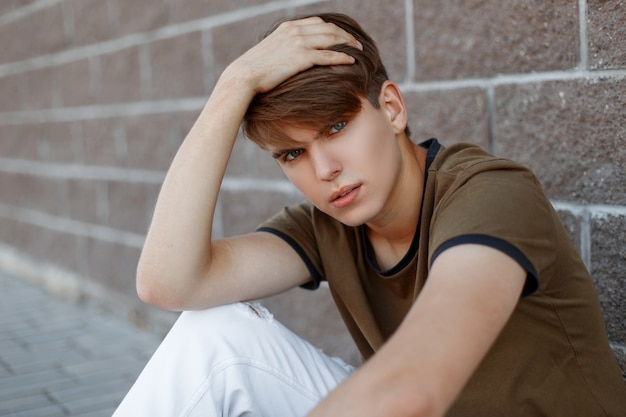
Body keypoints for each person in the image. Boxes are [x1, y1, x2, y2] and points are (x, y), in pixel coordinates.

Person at [113, 12, 626, 417]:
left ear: (392, 108)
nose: (325, 169)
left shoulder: (488, 193)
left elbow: (413, 389)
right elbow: (168, 282)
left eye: (336, 127)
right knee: (214, 337)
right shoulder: (328, 225)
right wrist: (233, 85)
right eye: (293, 154)